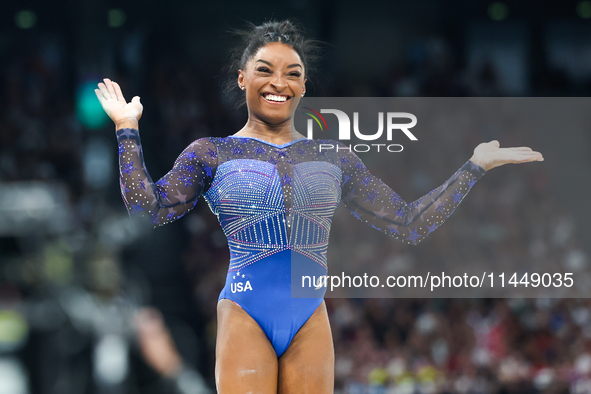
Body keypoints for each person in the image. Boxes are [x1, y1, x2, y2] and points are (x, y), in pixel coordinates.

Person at [95, 20, 543, 394]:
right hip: (246, 310)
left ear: (304, 84)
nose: (278, 82)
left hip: (309, 315)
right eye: (265, 70)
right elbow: (146, 210)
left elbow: (409, 223)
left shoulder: (335, 158)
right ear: (242, 77)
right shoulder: (211, 153)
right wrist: (127, 130)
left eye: (292, 73)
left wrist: (473, 167)